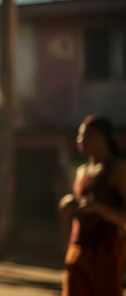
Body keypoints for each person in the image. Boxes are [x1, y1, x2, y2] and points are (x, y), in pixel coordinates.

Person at [59, 115, 126, 296]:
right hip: (77, 250)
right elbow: (80, 209)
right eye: (79, 136)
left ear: (102, 137)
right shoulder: (81, 172)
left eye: (86, 135)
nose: (80, 141)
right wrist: (69, 205)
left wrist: (98, 208)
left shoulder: (117, 169)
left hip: (106, 252)